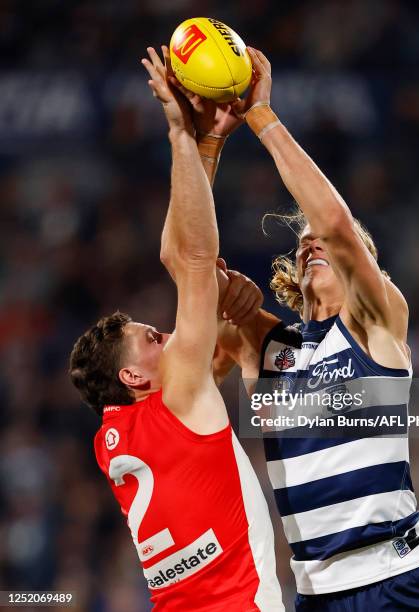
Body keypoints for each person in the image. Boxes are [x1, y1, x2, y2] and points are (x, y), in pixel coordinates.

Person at [204, 47, 419, 611]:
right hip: (317, 592)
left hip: (401, 578)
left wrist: (261, 118)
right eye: (303, 246)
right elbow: (191, 273)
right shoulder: (269, 347)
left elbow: (336, 225)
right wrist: (205, 144)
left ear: (364, 268)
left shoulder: (377, 323)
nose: (312, 242)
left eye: (326, 244)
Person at [68, 46, 284, 612]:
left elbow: (185, 259)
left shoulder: (113, 439)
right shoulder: (180, 399)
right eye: (154, 338)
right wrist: (183, 136)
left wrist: (205, 145)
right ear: (133, 373)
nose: (169, 334)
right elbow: (187, 260)